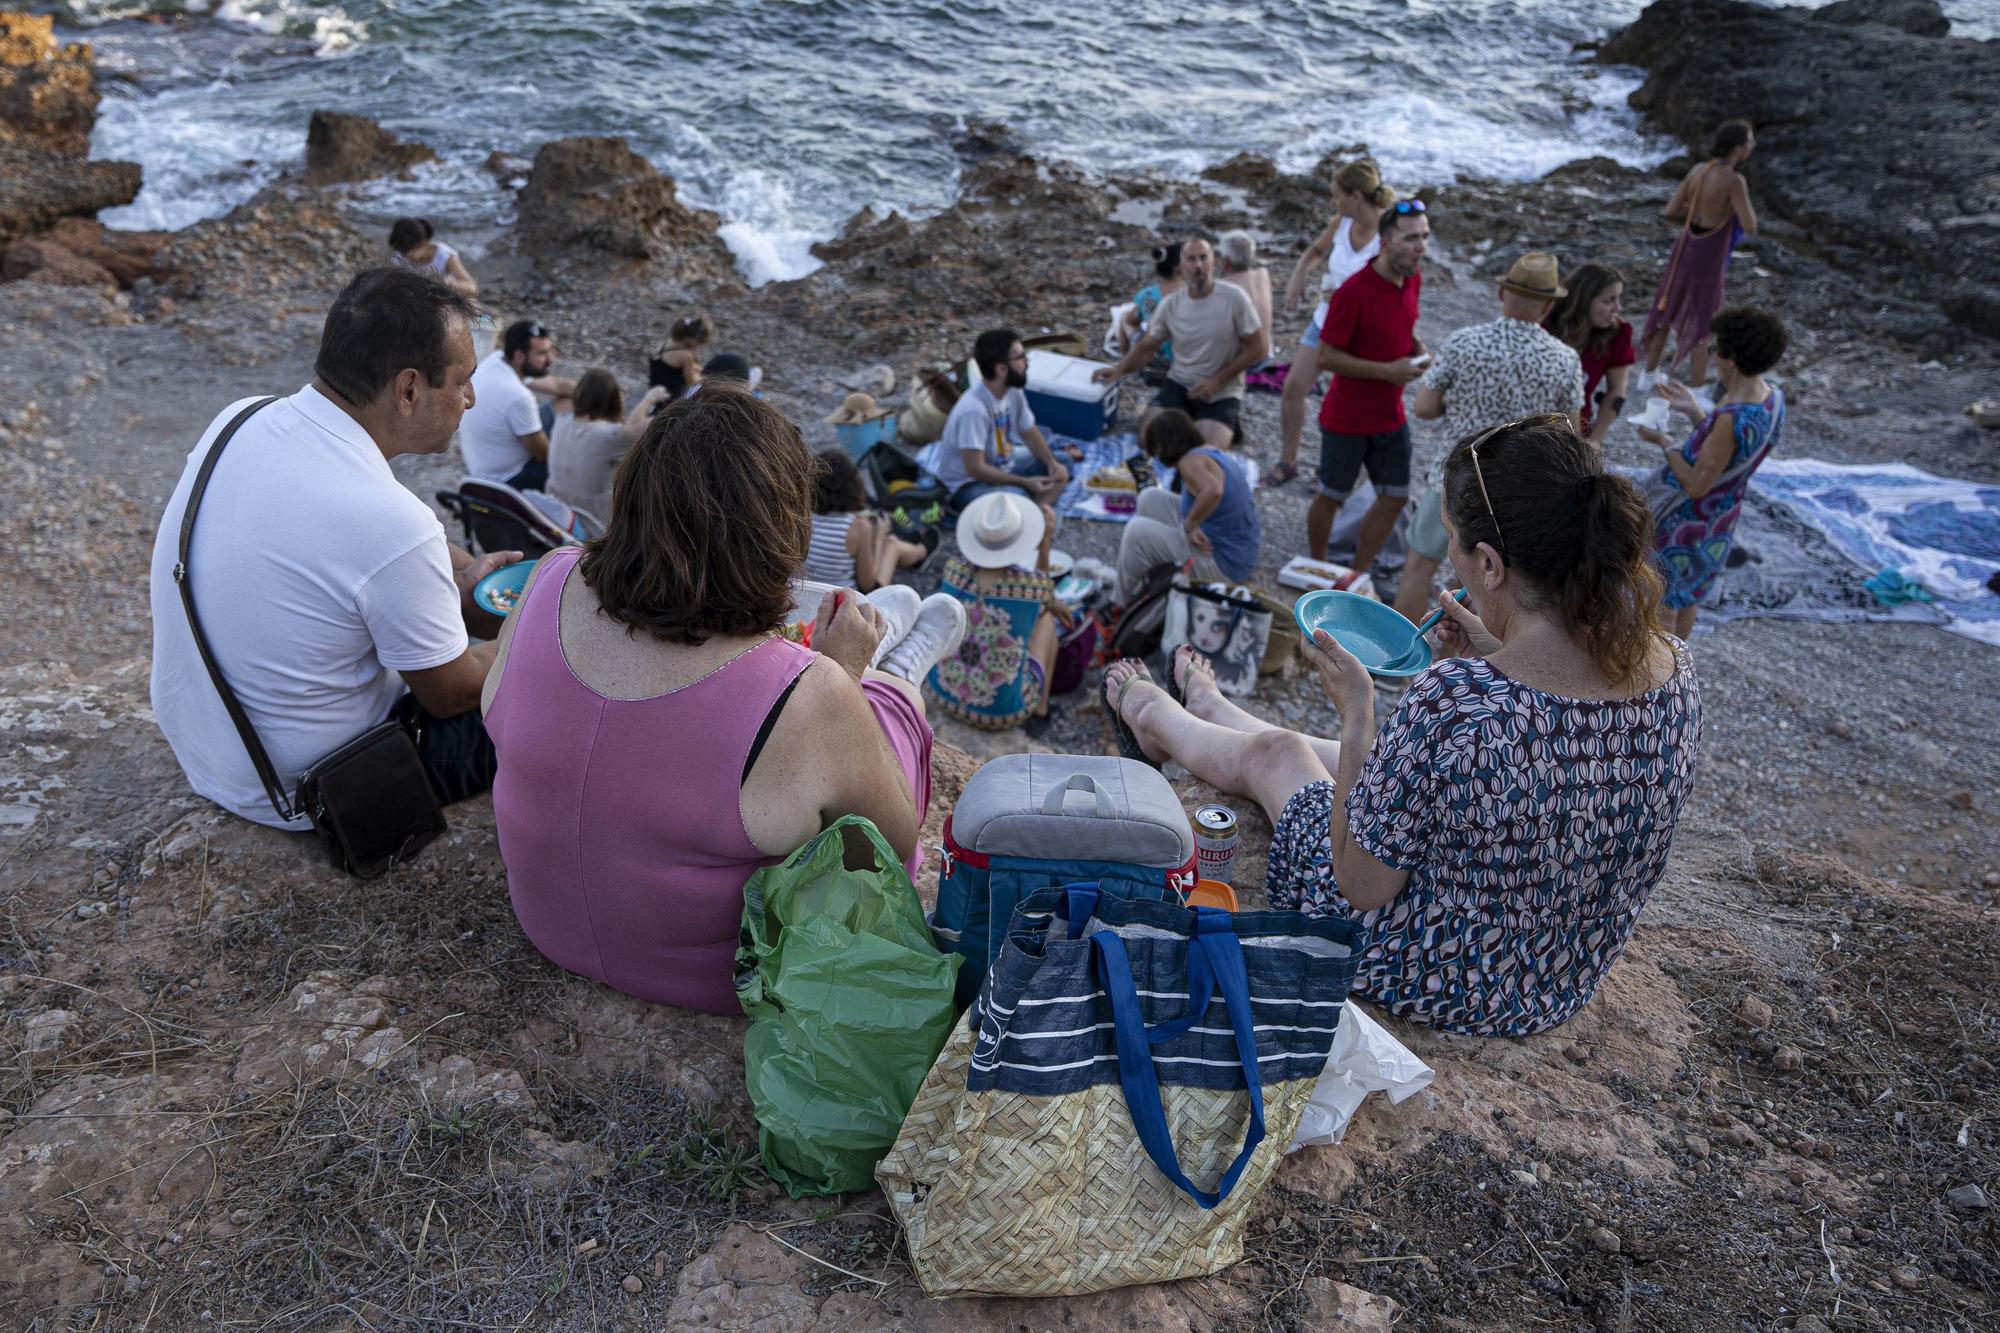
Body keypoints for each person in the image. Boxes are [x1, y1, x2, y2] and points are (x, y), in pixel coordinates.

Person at [1103, 414, 1699, 1037]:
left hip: (1431, 967)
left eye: (1452, 537)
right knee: (1357, 759)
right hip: (1554, 971)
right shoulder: (1672, 665)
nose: (1450, 556)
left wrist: (1359, 711)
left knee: (1279, 754)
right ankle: (1216, 709)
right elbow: (1547, 757)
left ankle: (1154, 716)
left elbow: (1360, 884)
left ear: (1490, 564)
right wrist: (1496, 648)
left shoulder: (1457, 700)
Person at [481, 384, 967, 1013]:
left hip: (545, 924)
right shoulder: (800, 690)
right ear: (776, 530)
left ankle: (890, 656)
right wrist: (842, 676)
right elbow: (893, 847)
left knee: (821, 731)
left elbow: (509, 715)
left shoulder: (551, 576)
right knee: (885, 717)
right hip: (715, 978)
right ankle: (897, 673)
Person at [149, 266, 520, 828]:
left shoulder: (244, 418)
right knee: (560, 704)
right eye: (462, 379)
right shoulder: (393, 525)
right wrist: (531, 631)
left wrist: (466, 570)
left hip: (211, 751)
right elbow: (456, 693)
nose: (470, 398)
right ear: (410, 389)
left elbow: (364, 534)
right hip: (319, 784)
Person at [1395, 251, 1585, 620]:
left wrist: (1460, 406)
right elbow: (1570, 435)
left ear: (1501, 294)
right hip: (1514, 494)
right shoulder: (1564, 360)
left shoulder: (1464, 341)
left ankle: (1397, 663)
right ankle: (1460, 668)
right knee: (1483, 587)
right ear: (1548, 306)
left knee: (1419, 565)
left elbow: (1423, 407)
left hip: (1453, 477)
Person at [1636, 305, 1788, 638]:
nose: (1712, 355)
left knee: (1663, 601)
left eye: (1715, 349)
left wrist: (1665, 442)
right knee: (1687, 594)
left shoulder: (1733, 415)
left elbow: (1695, 486)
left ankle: (1658, 677)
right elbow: (1733, 453)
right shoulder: (1772, 400)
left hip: (1686, 521)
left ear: (1732, 359)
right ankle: (1678, 671)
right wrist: (1695, 411)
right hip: (1721, 517)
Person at [1305, 200, 1429, 572]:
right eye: (1411, 239)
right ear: (1386, 241)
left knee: (1394, 497)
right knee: (1331, 496)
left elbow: (1405, 326)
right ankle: (1319, 567)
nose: (1421, 246)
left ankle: (1357, 571)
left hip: (1390, 416)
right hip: (1346, 418)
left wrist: (1419, 350)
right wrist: (1385, 372)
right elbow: (1325, 357)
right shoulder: (1353, 291)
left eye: (1424, 236)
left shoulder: (1413, 278)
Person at [1272, 159, 1393, 487]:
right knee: (1293, 389)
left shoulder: (1386, 234)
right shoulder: (1342, 221)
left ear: (1356, 196)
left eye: (1337, 196)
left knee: (1340, 407)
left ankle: (1331, 472)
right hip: (1324, 322)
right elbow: (1315, 251)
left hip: (1359, 334)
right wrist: (1299, 274)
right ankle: (1288, 461)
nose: (1333, 203)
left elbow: (1387, 289)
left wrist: (1342, 298)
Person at [1093, 237, 1268, 450]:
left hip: (1220, 392)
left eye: (1203, 258)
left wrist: (1217, 380)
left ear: (1214, 263)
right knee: (1149, 441)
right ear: (1181, 267)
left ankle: (1222, 424)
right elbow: (1147, 346)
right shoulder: (1169, 303)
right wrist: (1118, 370)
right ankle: (1193, 421)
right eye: (1191, 259)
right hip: (1179, 383)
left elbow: (1258, 348)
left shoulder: (1234, 298)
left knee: (1204, 453)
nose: (1198, 265)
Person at [928, 492, 1071, 730]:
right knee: (1045, 620)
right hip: (1004, 713)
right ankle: (1041, 711)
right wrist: (1045, 544)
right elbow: (1043, 589)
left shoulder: (952, 571)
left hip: (942, 694)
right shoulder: (1032, 587)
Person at [1115, 409, 1262, 626]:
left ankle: (1120, 604)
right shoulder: (1209, 451)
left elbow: (1213, 490)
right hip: (1241, 554)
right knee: (1149, 498)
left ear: (1162, 446)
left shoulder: (1188, 462)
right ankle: (1150, 579)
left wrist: (1190, 525)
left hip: (1224, 565)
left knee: (1136, 531)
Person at [1641, 119, 1758, 388]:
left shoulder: (1698, 171)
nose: (1752, 147)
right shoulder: (1735, 181)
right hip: (1710, 255)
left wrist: (1698, 214)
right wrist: (1724, 213)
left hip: (1685, 247)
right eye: (1750, 142)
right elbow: (1750, 224)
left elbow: (1670, 210)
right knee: (1704, 317)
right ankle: (1696, 386)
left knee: (1667, 304)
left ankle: (1647, 376)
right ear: (1738, 148)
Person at [921, 328, 1070, 510]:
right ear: (1001, 369)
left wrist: (1052, 463)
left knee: (1063, 462)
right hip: (967, 485)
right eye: (1021, 357)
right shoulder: (974, 410)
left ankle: (1034, 511)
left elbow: (1029, 431)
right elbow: (975, 469)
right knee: (1019, 497)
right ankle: (1031, 511)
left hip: (1000, 464)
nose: (1026, 361)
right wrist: (1024, 482)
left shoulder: (1012, 389)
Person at [459, 319, 578, 491]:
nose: (550, 359)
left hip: (481, 464)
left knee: (567, 401)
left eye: (550, 351)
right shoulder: (518, 397)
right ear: (520, 356)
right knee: (572, 463)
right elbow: (544, 454)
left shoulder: (498, 360)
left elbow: (556, 385)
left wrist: (597, 392)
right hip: (506, 480)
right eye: (542, 354)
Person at [806, 448, 938, 590]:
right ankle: (921, 551)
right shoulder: (859, 527)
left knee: (886, 543)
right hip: (848, 600)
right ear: (852, 485)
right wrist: (880, 535)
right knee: (891, 544)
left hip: (813, 592)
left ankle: (915, 551)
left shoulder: (805, 517)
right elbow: (867, 584)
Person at [546, 369, 659, 522]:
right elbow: (636, 430)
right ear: (613, 402)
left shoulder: (562, 420)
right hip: (591, 521)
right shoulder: (610, 434)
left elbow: (563, 394)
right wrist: (649, 399)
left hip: (555, 512)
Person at [1545, 262, 1636, 443]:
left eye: (1618, 299)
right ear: (1583, 299)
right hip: (1532, 423)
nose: (1618, 308)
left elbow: (1617, 391)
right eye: (1608, 300)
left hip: (1577, 428)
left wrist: (1595, 440)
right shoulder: (1546, 323)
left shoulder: (1619, 332)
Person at [1119, 243, 1184, 366]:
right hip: (1185, 358)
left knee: (1124, 317)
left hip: (1154, 355)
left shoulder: (1149, 295)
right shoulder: (1194, 294)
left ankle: (1124, 362)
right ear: (1179, 267)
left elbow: (1131, 320)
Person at [1217, 230, 1273, 359]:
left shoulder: (1223, 287)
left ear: (1225, 262)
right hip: (1266, 355)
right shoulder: (1263, 274)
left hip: (1244, 363)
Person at [387, 217, 477, 297]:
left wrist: (446, 282)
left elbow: (472, 288)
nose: (403, 256)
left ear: (422, 244)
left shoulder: (445, 255)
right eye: (400, 251)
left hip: (441, 298)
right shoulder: (399, 255)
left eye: (406, 252)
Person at [648, 312, 712, 400]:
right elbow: (691, 381)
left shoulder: (665, 344)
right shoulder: (686, 356)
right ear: (692, 339)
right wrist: (705, 379)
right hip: (670, 400)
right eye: (701, 343)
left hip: (655, 394)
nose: (700, 347)